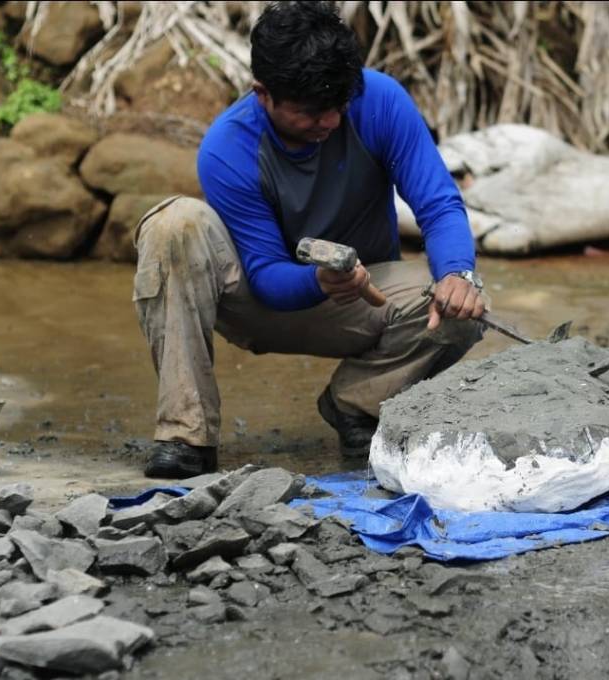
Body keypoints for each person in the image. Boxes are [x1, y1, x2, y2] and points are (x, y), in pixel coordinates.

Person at [132, 1, 485, 478]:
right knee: (173, 225)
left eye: (338, 107)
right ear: (263, 94)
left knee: (464, 309)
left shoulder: (378, 100)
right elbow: (264, 273)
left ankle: (355, 405)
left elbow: (439, 203)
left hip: (364, 295)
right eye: (309, 113)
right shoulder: (228, 147)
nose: (330, 123)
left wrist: (458, 274)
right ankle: (186, 435)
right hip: (258, 300)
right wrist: (318, 282)